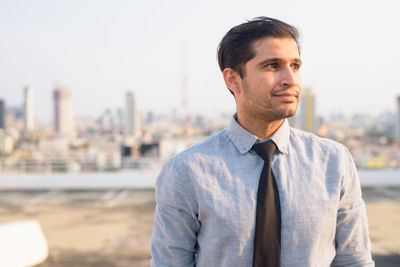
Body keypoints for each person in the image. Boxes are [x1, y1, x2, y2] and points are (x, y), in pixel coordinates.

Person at [150, 17, 374, 266]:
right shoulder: (186, 170)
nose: (291, 79)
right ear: (233, 80)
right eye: (273, 66)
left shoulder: (334, 161)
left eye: (296, 66)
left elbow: (354, 260)